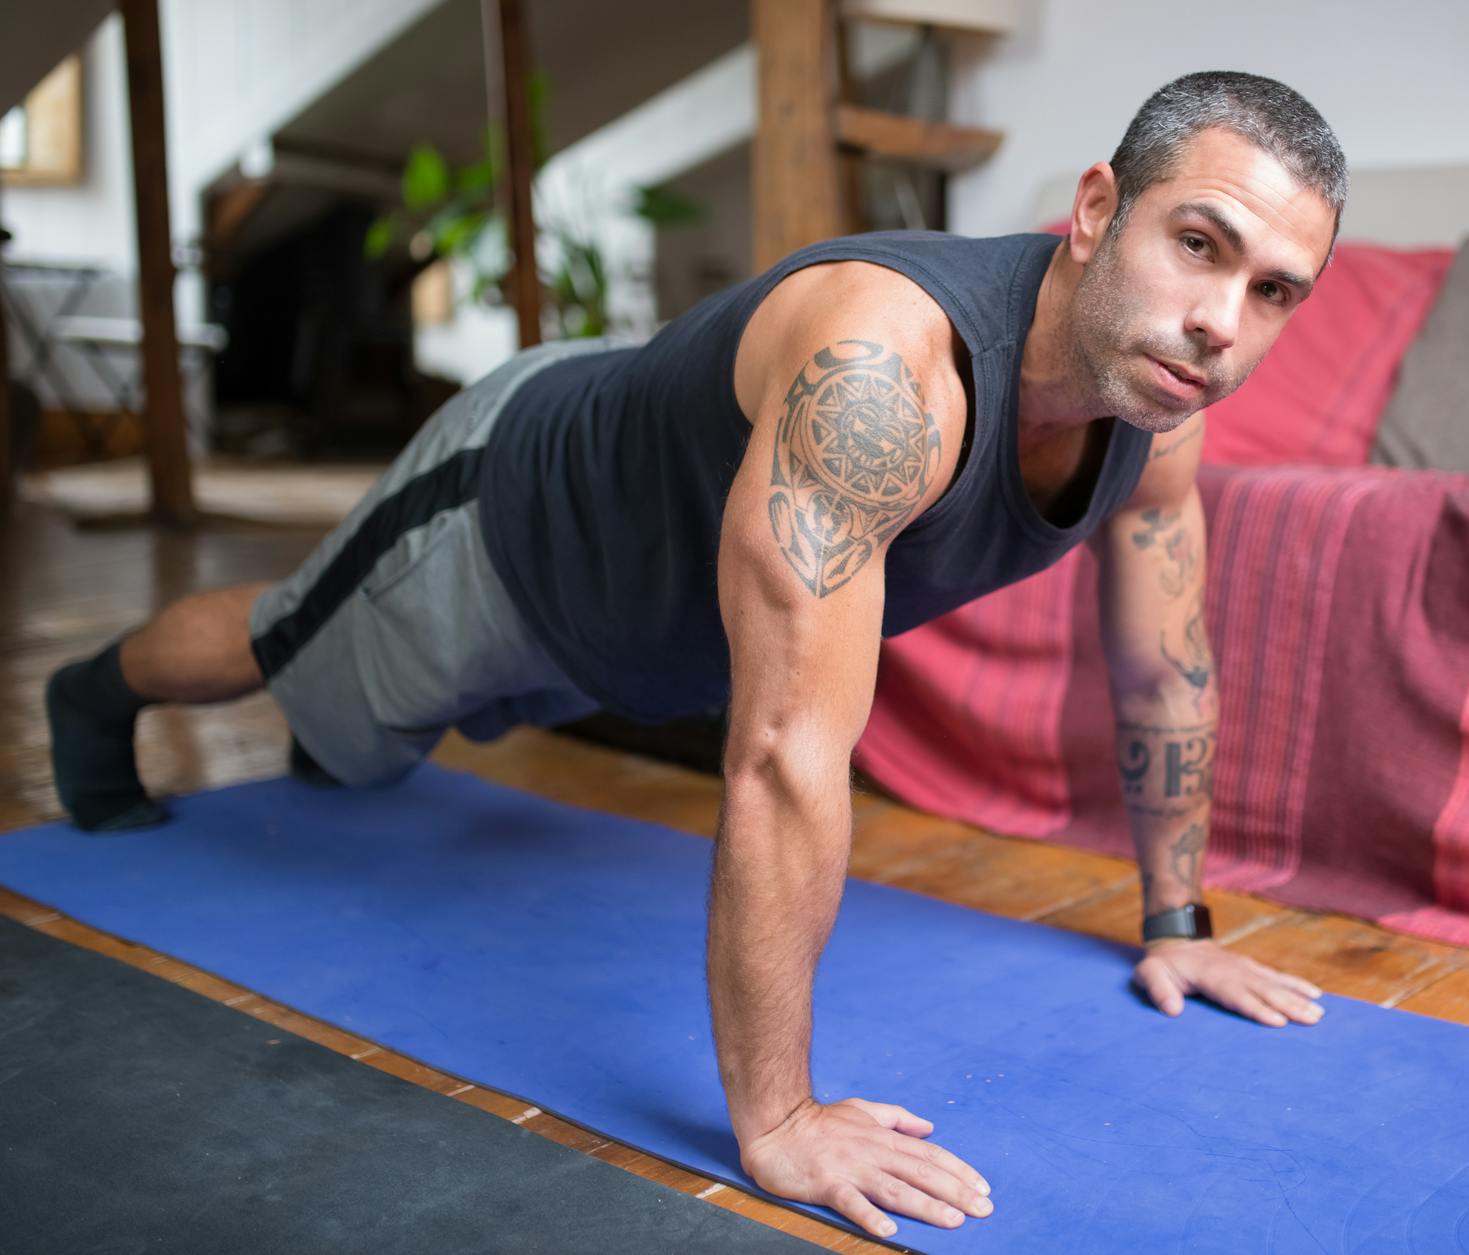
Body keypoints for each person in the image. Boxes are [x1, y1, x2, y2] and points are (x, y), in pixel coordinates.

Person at [45, 70, 1345, 1240]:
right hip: (510, 531)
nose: (1222, 321)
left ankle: (347, 734)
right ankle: (91, 696)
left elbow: (1163, 659)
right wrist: (775, 1121)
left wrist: (1178, 920)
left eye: (1272, 290)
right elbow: (785, 757)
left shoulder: (1156, 409)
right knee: (297, 642)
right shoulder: (884, 369)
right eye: (1197, 245)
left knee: (363, 752)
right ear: (1096, 206)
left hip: (648, 620)